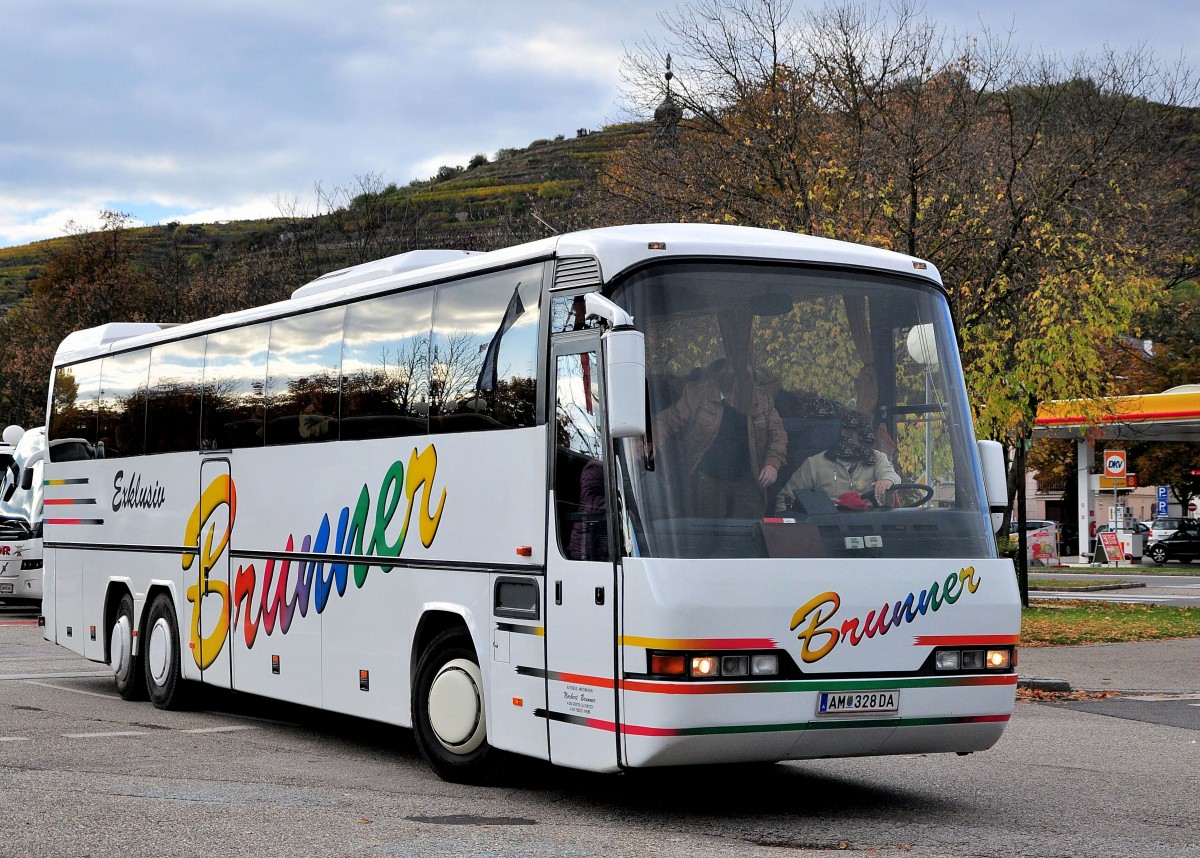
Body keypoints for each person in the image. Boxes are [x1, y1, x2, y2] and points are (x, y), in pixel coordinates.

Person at [654, 310, 787, 518]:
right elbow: (667, 421)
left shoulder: (762, 400)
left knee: (749, 532)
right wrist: (651, 443)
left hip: (748, 480)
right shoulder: (698, 394)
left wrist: (772, 463)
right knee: (709, 531)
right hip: (707, 479)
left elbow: (778, 435)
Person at [775, 409, 900, 512]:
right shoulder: (814, 464)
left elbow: (892, 476)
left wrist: (887, 481)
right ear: (845, 434)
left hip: (869, 526)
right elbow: (785, 500)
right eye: (860, 435)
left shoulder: (877, 458)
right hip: (829, 528)